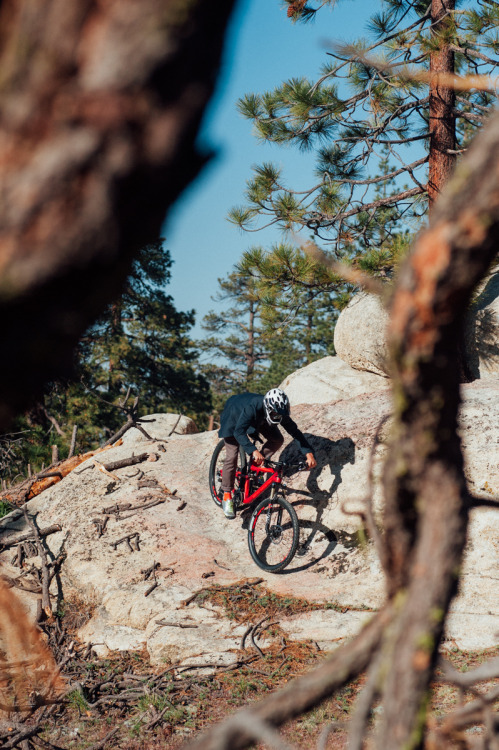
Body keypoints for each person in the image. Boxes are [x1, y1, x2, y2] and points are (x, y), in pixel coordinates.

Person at [217, 388, 317, 519]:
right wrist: (253, 450)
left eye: (280, 415)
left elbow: (295, 432)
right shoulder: (253, 407)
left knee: (277, 439)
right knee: (232, 455)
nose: (278, 417)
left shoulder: (278, 410)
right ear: (269, 408)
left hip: (259, 418)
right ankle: (226, 495)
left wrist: (308, 453)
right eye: (275, 414)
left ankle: (256, 466)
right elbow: (238, 432)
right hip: (234, 415)